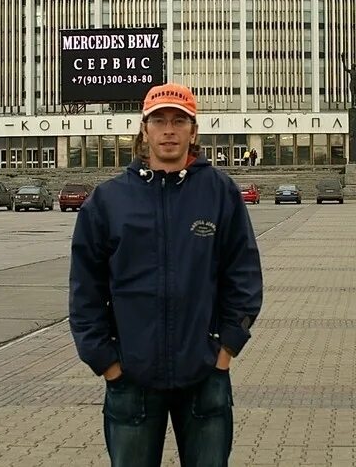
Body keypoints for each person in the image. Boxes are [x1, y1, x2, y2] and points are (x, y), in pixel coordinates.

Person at [69, 82, 263, 467]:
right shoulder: (108, 201)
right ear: (144, 129)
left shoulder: (219, 192)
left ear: (194, 130)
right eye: (159, 121)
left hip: (205, 375)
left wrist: (226, 349)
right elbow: (85, 290)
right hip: (131, 381)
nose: (169, 130)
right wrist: (107, 363)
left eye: (179, 121)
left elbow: (243, 275)